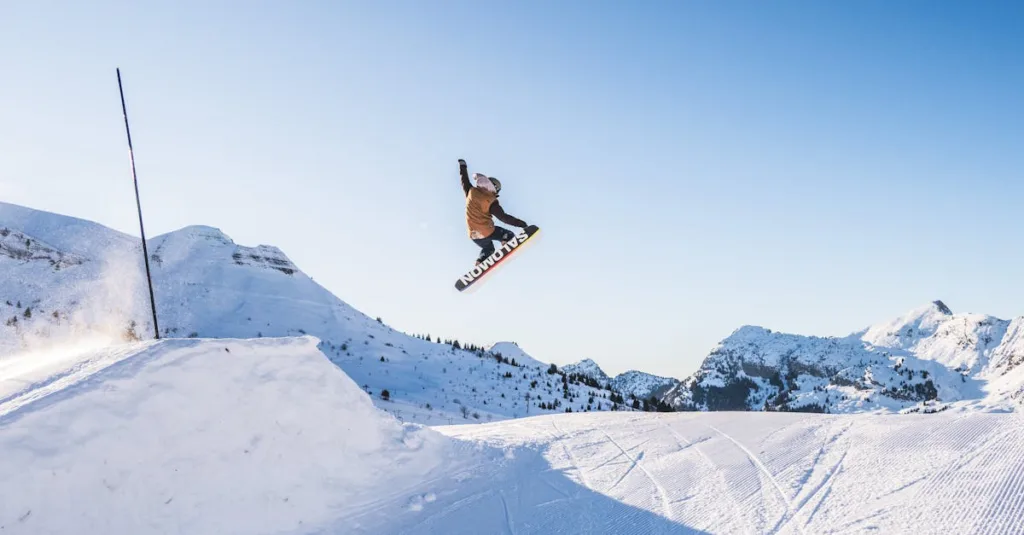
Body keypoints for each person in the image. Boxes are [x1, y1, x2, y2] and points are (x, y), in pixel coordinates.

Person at [459, 159, 530, 264]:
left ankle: (480, 261)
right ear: (494, 189)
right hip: (487, 230)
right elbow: (503, 217)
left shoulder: (471, 191)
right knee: (508, 234)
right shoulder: (491, 201)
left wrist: (462, 166)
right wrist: (522, 224)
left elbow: (464, 181)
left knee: (489, 249)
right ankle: (505, 241)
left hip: (473, 235)